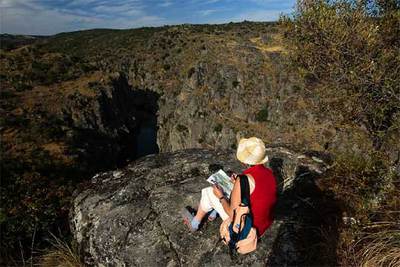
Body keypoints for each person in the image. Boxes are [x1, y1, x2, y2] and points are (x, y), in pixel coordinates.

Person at [183, 137, 277, 237]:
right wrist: (237, 183)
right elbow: (256, 192)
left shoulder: (244, 180)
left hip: (244, 230)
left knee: (209, 192)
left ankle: (194, 223)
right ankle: (213, 213)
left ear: (245, 161)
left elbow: (233, 215)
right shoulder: (269, 174)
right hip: (261, 226)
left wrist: (221, 197)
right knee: (229, 191)